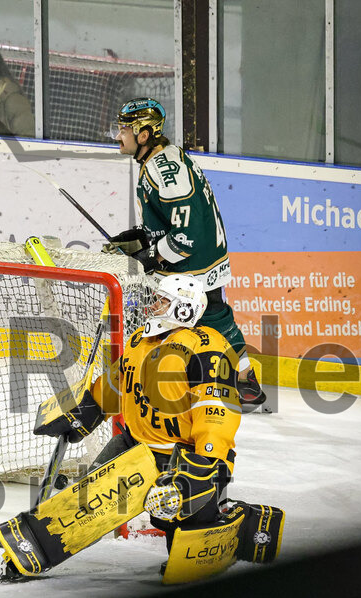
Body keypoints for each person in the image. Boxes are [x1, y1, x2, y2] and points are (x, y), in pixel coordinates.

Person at [0, 274, 243, 581]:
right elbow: (121, 381)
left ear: (183, 310)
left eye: (163, 301)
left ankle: (212, 527)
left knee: (177, 511)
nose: (153, 305)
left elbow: (216, 411)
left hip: (184, 457)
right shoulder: (141, 339)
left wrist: (206, 460)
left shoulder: (206, 348)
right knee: (85, 501)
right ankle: (33, 546)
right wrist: (90, 408)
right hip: (135, 446)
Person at [105, 97, 267, 412]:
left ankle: (232, 383)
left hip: (194, 263)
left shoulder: (164, 171)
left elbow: (186, 237)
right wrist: (141, 236)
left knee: (192, 319)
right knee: (212, 320)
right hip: (202, 258)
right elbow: (173, 220)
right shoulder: (161, 159)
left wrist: (149, 258)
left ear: (143, 134)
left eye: (124, 129)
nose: (117, 136)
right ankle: (241, 383)